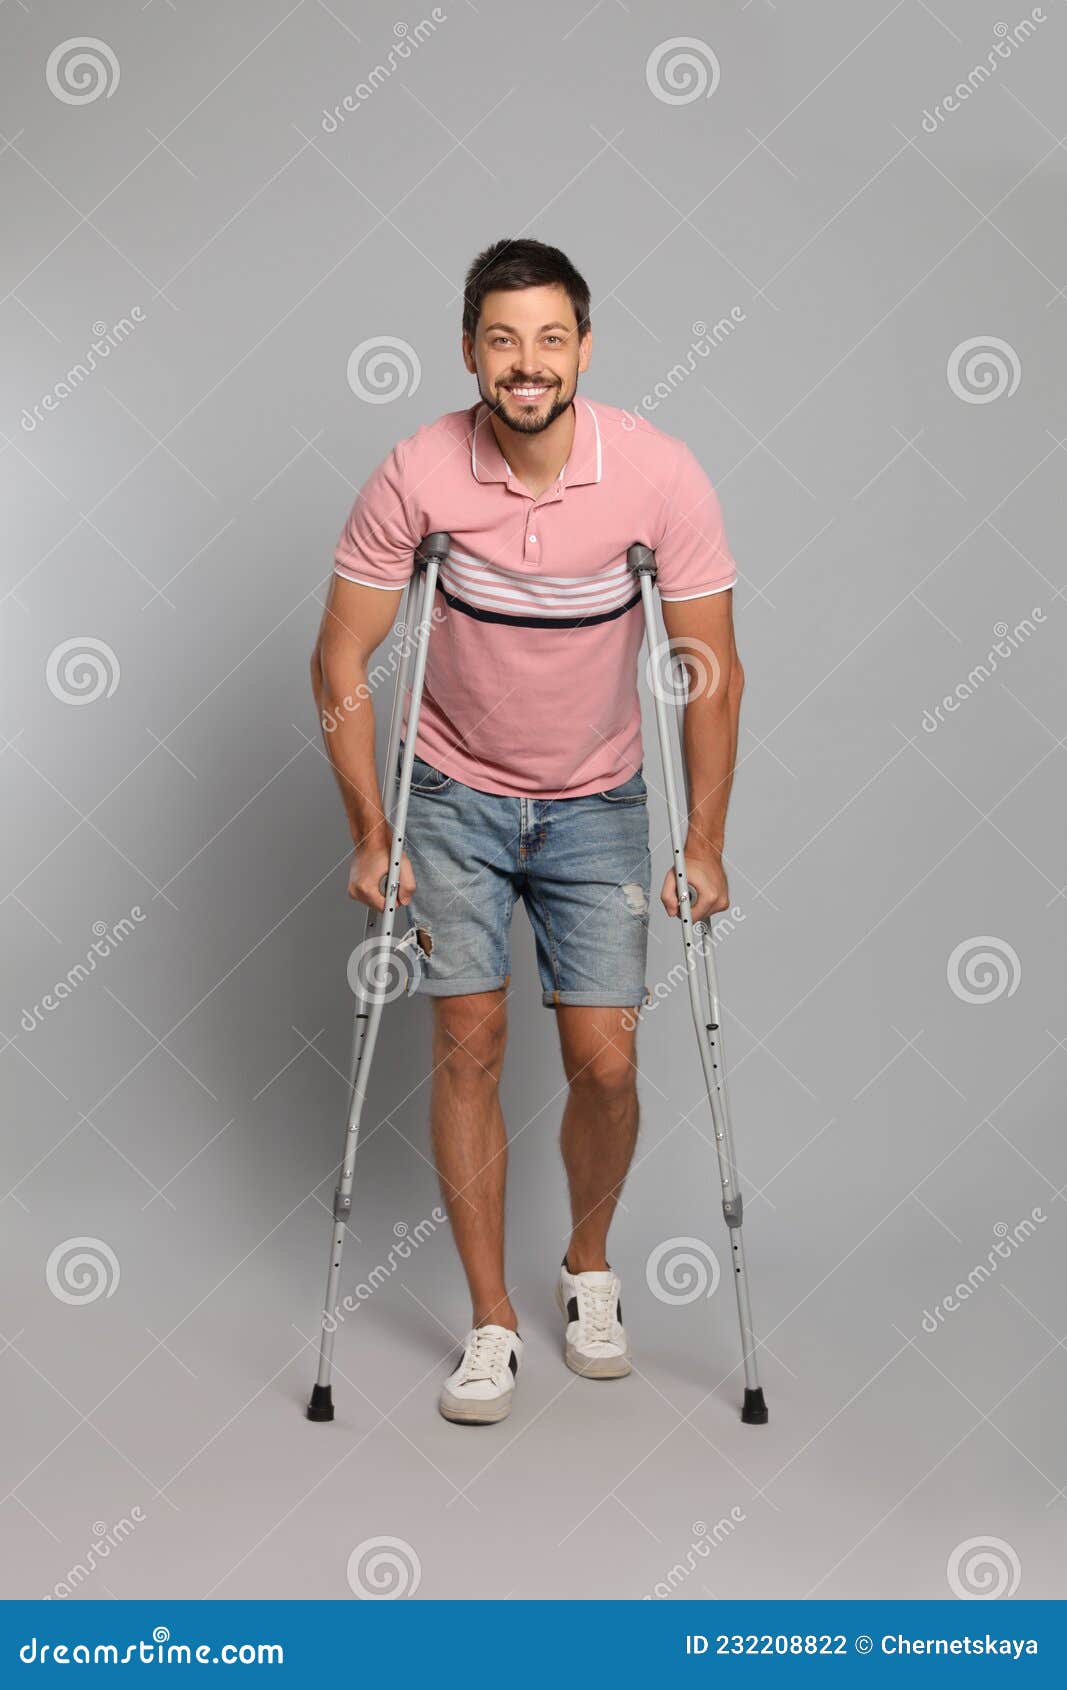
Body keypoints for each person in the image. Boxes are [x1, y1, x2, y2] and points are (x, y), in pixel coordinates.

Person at [311, 237, 744, 1425]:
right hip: (450, 796)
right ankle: (491, 1319)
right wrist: (370, 827)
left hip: (597, 802)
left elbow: (709, 671)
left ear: (583, 350)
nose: (527, 362)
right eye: (502, 339)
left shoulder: (655, 474)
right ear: (469, 351)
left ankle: (586, 1265)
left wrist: (703, 839)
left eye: (550, 338)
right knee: (468, 1044)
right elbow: (340, 660)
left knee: (605, 1060)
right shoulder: (418, 471)